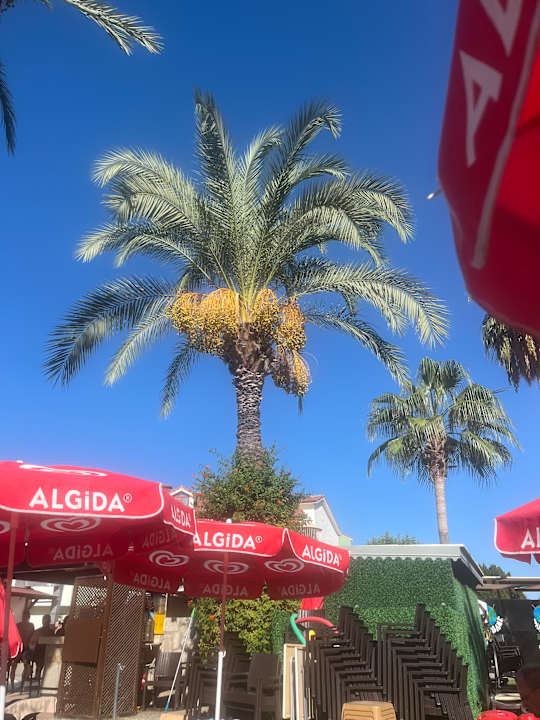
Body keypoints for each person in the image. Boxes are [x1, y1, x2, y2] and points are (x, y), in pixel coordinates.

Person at [9, 610, 34, 691]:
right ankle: (12, 685)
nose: (24, 618)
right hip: (18, 648)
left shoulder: (31, 626)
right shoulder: (18, 625)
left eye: (26, 616)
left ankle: (22, 684)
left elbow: (32, 637)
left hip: (25, 648)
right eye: (24, 616)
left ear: (28, 617)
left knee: (26, 666)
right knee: (14, 665)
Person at [29, 614, 55, 686]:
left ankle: (37, 681)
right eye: (45, 621)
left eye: (47, 621)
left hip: (45, 654)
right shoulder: (39, 631)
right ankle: (37, 681)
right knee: (39, 666)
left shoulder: (50, 632)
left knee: (40, 667)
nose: (46, 622)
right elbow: (31, 643)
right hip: (40, 654)